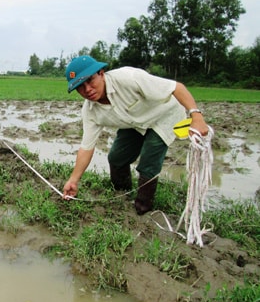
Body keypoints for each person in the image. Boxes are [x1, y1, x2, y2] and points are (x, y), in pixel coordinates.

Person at [62, 55, 209, 215]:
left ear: (101, 73)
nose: (87, 89)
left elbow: (177, 87)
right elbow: (86, 147)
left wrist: (196, 116)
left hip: (163, 115)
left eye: (90, 80)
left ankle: (142, 209)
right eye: (80, 87)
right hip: (133, 122)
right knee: (116, 158)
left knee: (148, 161)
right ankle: (121, 195)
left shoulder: (129, 78)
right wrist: (73, 180)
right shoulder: (90, 110)